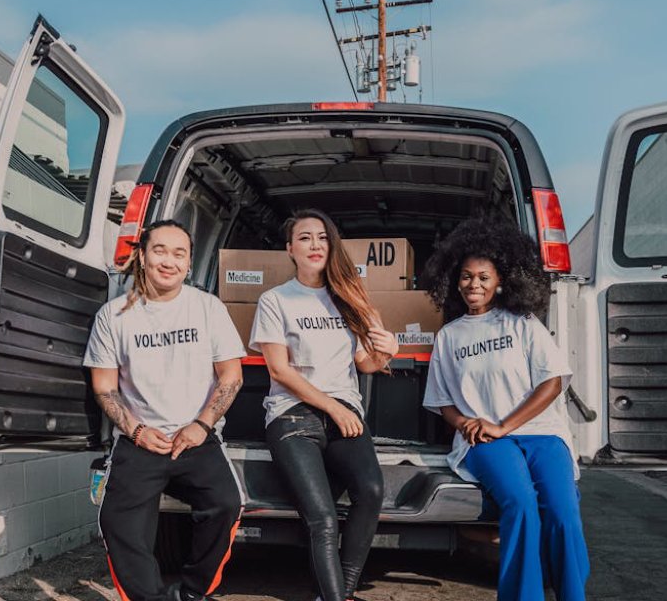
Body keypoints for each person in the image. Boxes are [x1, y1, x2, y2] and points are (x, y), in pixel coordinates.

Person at [420, 217, 590, 601]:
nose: (474, 285)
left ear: (501, 281)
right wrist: (464, 422)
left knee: (563, 513)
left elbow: (553, 381)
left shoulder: (523, 323)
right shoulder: (449, 336)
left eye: (483, 277)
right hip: (483, 440)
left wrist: (506, 424)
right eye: (466, 277)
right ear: (454, 280)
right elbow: (442, 400)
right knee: (520, 503)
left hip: (541, 434)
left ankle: (571, 593)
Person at [84, 220, 246, 601]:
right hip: (140, 440)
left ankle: (191, 593)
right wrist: (137, 430)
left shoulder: (207, 308)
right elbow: (104, 387)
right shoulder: (113, 315)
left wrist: (201, 426)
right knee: (116, 521)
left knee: (226, 505)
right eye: (160, 250)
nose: (169, 261)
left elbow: (231, 377)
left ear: (189, 263)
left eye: (180, 253)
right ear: (142, 255)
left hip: (196, 438)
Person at [249, 209, 398, 601]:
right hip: (292, 416)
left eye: (322, 237)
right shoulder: (275, 300)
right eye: (304, 238)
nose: (315, 245)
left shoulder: (353, 298)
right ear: (290, 250)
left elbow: (366, 362)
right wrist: (333, 409)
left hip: (344, 413)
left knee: (370, 491)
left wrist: (388, 350)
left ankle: (340, 594)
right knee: (323, 519)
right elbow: (279, 371)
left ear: (332, 245)